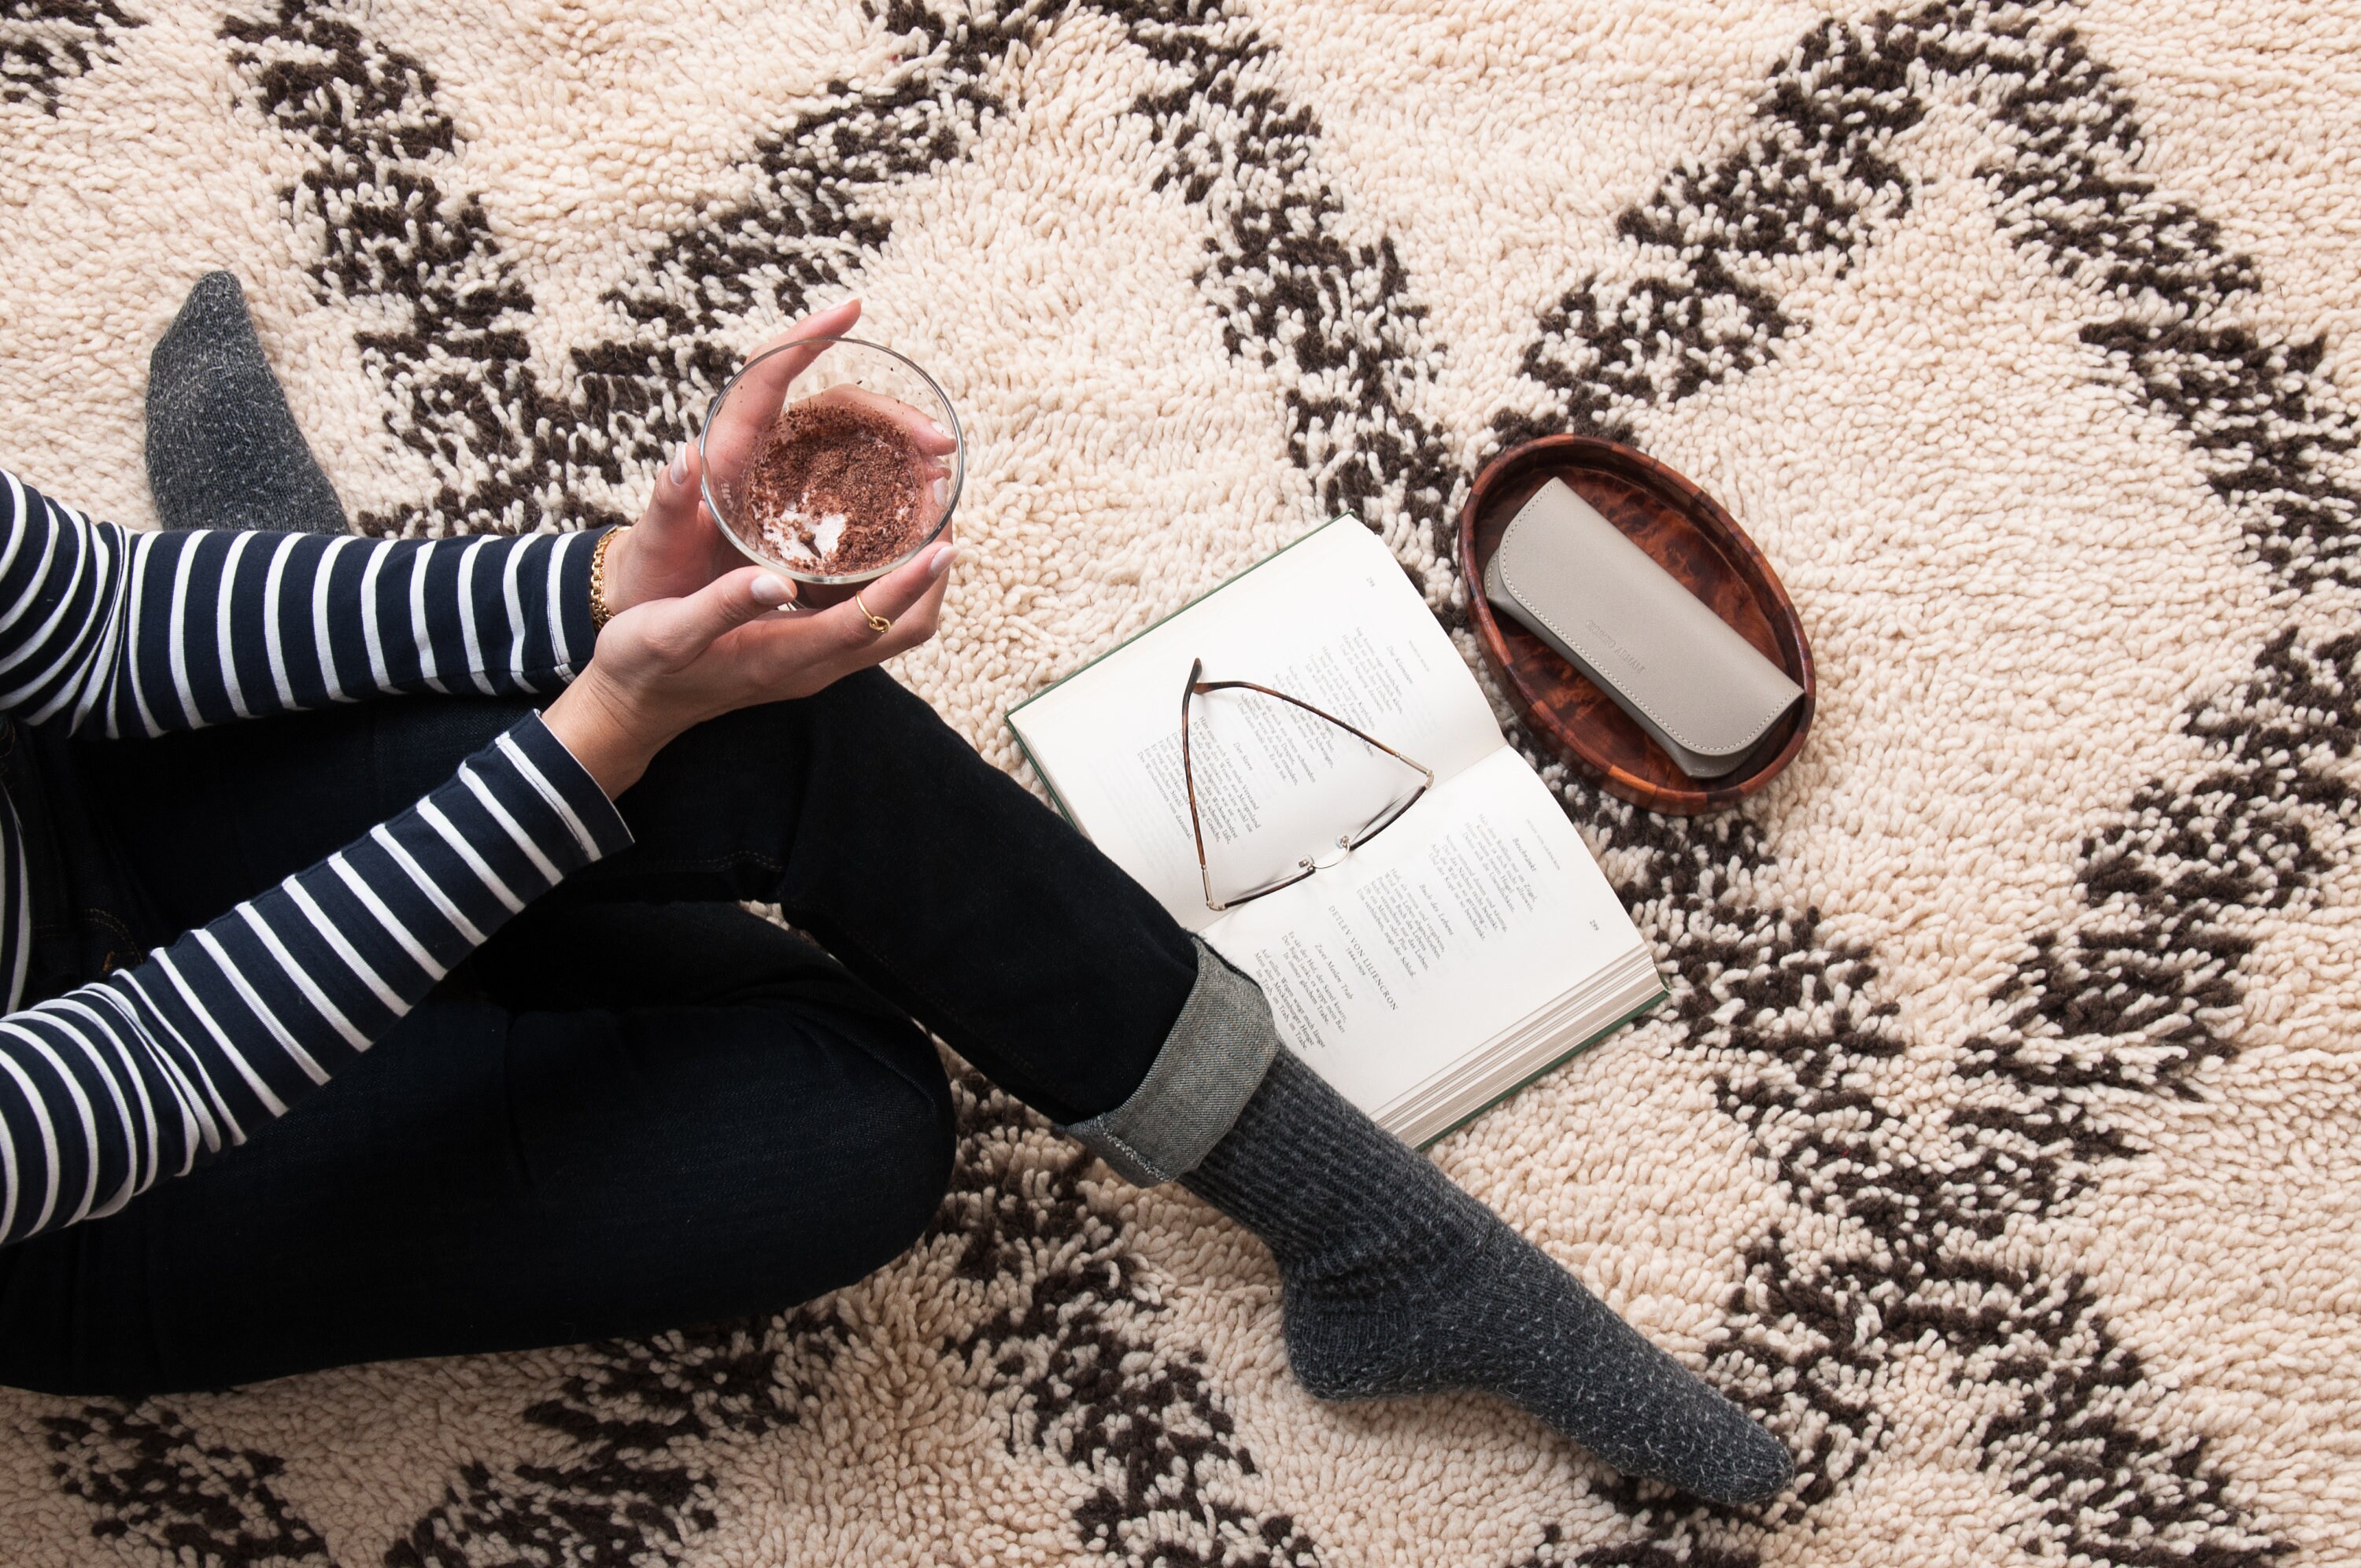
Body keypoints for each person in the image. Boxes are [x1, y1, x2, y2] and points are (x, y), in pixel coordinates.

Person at [0, 273, 1792, 1506]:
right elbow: (142, 1067)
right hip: (103, 1184)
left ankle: (1377, 1239)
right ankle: (442, 812)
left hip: (93, 802)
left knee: (773, 702)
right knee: (855, 1128)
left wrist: (605, 594)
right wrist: (587, 739)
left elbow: (85, 624)